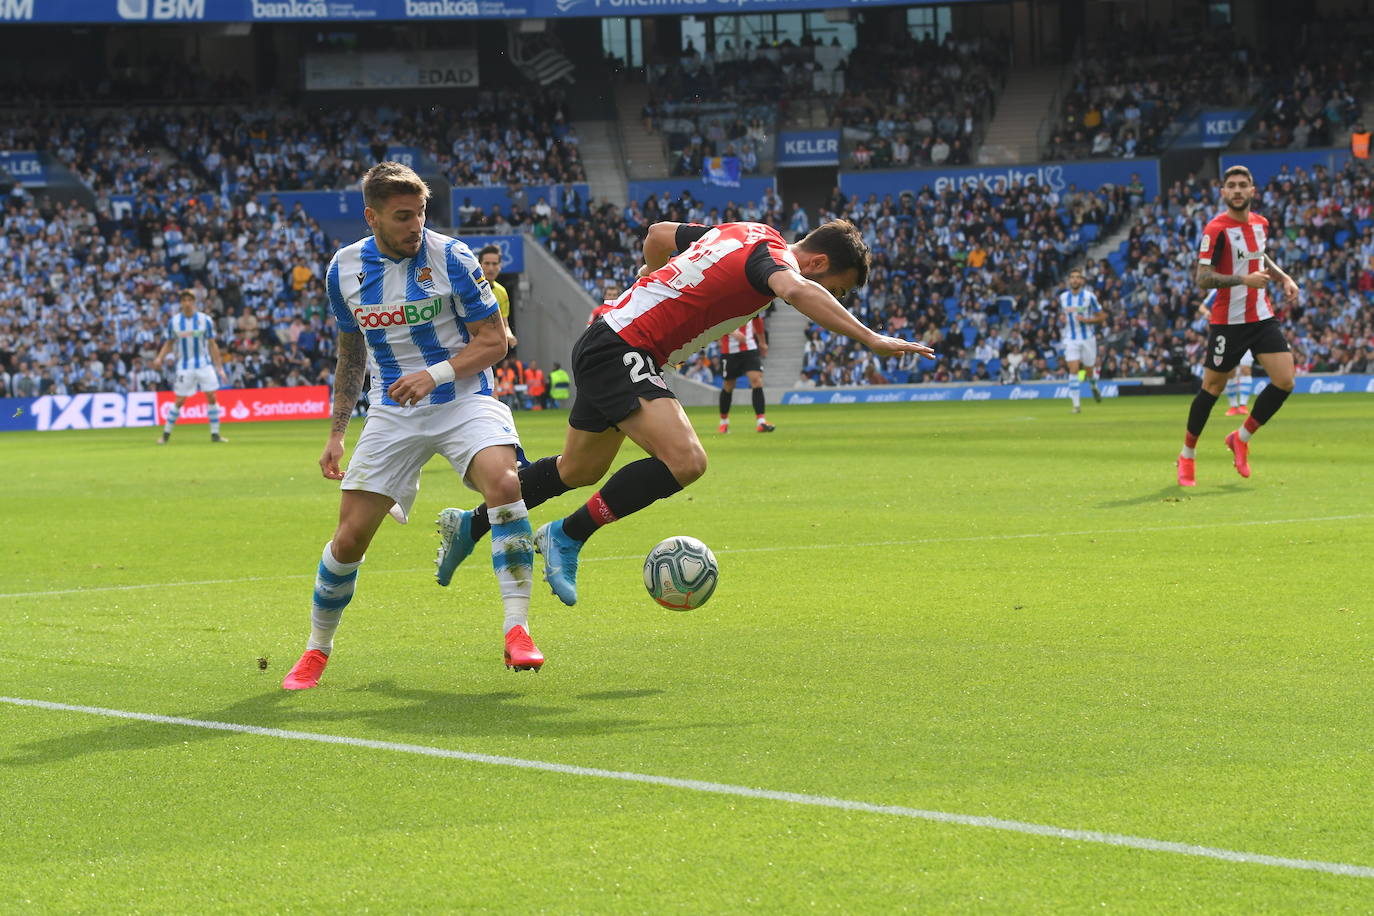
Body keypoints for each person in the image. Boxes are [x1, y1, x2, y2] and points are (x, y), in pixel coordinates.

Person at [433, 219, 933, 604]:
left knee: (578, 469)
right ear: (821, 263)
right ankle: (566, 533)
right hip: (624, 348)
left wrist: (645, 281)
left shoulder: (745, 231)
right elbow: (798, 291)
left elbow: (657, 235)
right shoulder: (774, 261)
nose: (834, 298)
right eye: (839, 290)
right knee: (687, 460)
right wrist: (871, 337)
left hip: (613, 338)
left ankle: (470, 525)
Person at [281, 161, 542, 691]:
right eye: (402, 216)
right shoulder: (343, 269)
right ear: (371, 216)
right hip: (391, 413)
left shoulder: (453, 257)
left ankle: (518, 629)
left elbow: (493, 341)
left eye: (421, 213)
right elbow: (351, 352)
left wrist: (436, 373)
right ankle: (316, 650)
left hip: (462, 397)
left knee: (505, 482)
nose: (415, 225)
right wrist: (337, 432)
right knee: (350, 538)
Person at [1177, 165, 1300, 487]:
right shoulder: (1215, 229)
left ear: (1252, 191)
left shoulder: (1261, 223)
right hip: (1227, 322)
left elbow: (1260, 257)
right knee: (1212, 389)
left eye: (1242, 185)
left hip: (1261, 316)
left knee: (1285, 381)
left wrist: (1283, 277)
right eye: (1231, 185)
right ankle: (1187, 455)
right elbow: (1202, 278)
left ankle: (1241, 437)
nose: (1237, 190)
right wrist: (1242, 280)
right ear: (1223, 192)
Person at [151, 291, 228, 444]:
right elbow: (169, 343)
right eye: (184, 300)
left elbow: (213, 345)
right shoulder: (174, 321)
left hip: (204, 365)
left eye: (190, 300)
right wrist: (160, 357)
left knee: (212, 397)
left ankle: (215, 434)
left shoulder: (205, 320)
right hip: (185, 366)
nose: (187, 303)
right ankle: (165, 435)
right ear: (181, 302)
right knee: (179, 400)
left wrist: (219, 368)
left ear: (194, 302)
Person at [1057, 268, 1105, 413]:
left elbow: (1102, 316)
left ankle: (1093, 385)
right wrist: (1062, 319)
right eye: (1072, 277)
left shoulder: (1089, 297)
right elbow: (1064, 314)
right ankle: (1076, 406)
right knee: (1074, 369)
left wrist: (1087, 320)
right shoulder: (1063, 297)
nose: (1075, 280)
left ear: (1082, 281)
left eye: (1078, 277)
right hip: (1070, 338)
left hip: (1087, 338)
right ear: (1069, 280)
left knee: (1089, 369)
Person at [1200, 290, 1254, 416]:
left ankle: (1243, 405)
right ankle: (1233, 406)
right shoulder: (1218, 290)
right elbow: (1202, 307)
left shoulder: (1247, 287)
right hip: (1226, 333)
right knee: (1230, 372)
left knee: (1246, 369)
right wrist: (1207, 313)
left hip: (1247, 332)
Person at [717, 313, 773, 433]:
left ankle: (761, 422)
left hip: (749, 348)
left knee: (756, 380)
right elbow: (716, 321)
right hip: (729, 350)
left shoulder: (751, 300)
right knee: (729, 385)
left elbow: (757, 321)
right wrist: (733, 332)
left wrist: (762, 343)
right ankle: (724, 422)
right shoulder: (724, 304)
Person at [477, 244, 518, 350]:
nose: (491, 268)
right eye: (487, 263)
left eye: (494, 264)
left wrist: (509, 335)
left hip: (490, 348)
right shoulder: (469, 288)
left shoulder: (502, 292)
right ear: (479, 265)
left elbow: (505, 323)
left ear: (500, 266)